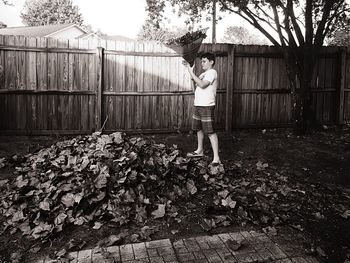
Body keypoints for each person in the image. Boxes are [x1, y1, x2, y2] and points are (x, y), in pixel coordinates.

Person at [182, 52, 221, 165]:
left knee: (210, 131)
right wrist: (192, 76)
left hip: (207, 105)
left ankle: (216, 158)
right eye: (201, 61)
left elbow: (203, 85)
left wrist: (190, 70)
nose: (202, 63)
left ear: (211, 62)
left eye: (204, 61)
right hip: (198, 104)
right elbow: (195, 89)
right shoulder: (203, 74)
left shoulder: (212, 72)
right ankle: (199, 151)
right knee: (198, 128)